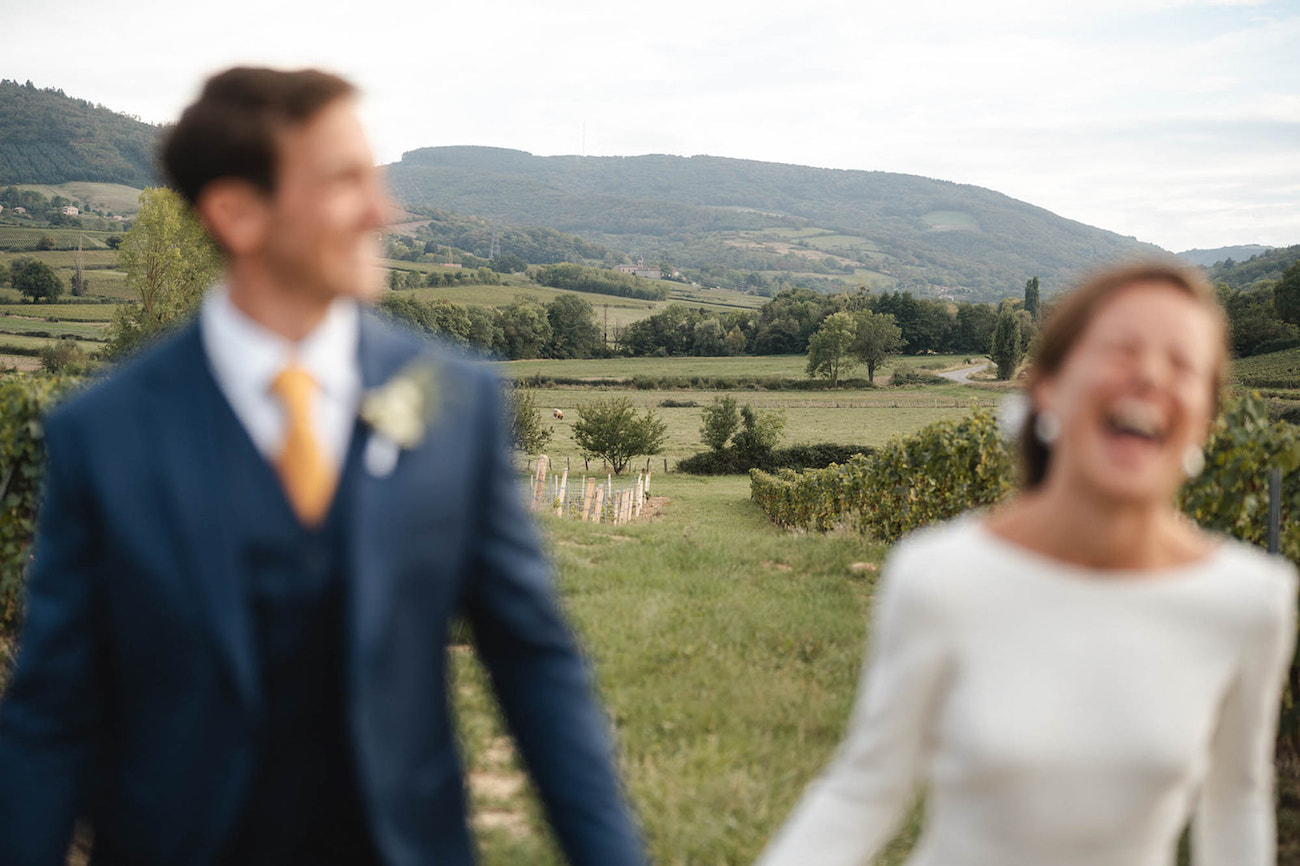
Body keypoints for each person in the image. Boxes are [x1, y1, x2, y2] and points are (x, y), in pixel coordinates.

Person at [0, 67, 646, 866]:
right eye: (345, 180)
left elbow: (533, 660)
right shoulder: (103, 434)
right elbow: (52, 716)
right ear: (237, 213)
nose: (384, 210)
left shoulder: (456, 402)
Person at [757, 262, 1297, 866]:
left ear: (1205, 415)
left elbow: (1237, 806)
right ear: (1046, 387)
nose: (1148, 375)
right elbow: (861, 792)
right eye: (1122, 349)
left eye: (1182, 364)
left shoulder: (1252, 600)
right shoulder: (940, 575)